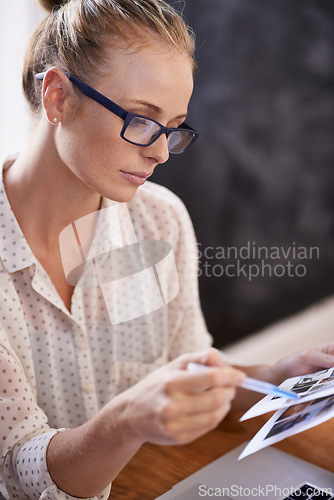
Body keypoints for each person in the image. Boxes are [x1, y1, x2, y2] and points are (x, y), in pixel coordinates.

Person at [0, 0, 333, 498]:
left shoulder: (160, 219)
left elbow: (187, 368)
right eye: (140, 118)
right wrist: (128, 419)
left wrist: (270, 382)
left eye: (174, 127)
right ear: (57, 97)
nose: (159, 151)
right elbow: (18, 473)